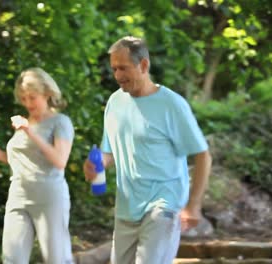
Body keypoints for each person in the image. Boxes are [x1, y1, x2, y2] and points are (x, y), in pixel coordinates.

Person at [83, 36, 212, 264]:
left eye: (123, 68)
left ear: (143, 65)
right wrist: (96, 165)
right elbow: (109, 151)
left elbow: (202, 155)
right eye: (114, 69)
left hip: (164, 202)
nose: (117, 76)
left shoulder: (172, 105)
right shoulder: (114, 103)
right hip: (127, 204)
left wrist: (193, 204)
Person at [0, 67, 75, 264]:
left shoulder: (60, 122)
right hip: (18, 195)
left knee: (57, 259)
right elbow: (22, 160)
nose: (27, 103)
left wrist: (30, 132)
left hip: (49, 196)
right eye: (23, 98)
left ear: (47, 93)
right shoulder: (25, 123)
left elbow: (60, 161)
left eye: (32, 97)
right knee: (12, 259)